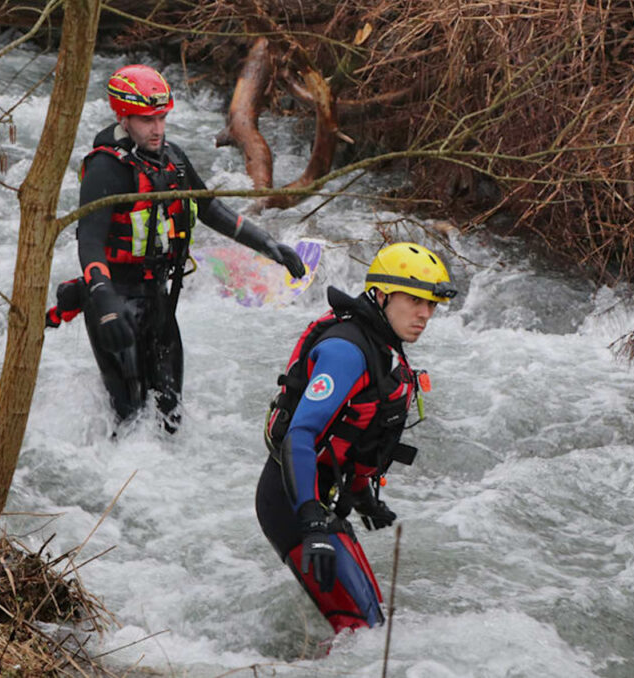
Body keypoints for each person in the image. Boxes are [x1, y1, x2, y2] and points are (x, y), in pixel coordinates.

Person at [69, 64, 305, 432]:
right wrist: (103, 299)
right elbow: (91, 241)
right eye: (147, 120)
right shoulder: (105, 169)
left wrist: (268, 244)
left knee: (170, 416)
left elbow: (209, 207)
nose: (157, 129)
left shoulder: (173, 159)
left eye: (162, 117)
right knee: (128, 417)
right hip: (115, 303)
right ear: (123, 116)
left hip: (158, 301)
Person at [256, 242, 457, 635]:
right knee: (360, 631)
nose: (425, 314)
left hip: (321, 503)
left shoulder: (383, 347)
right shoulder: (346, 352)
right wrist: (312, 522)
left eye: (431, 305)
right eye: (415, 300)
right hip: (292, 504)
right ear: (380, 295)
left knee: (373, 625)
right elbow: (299, 436)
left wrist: (363, 497)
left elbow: (360, 435)